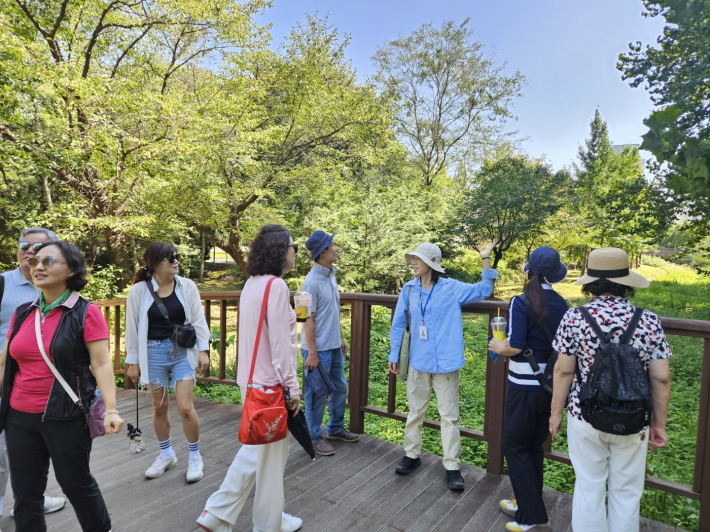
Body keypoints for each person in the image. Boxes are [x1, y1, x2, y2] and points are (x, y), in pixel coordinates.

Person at [0, 241, 123, 532]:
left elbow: (102, 364)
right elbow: (5, 362)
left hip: (65, 415)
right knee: (25, 495)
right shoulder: (22, 312)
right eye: (34, 262)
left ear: (71, 269)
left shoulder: (85, 312)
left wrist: (111, 410)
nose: (37, 266)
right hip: (18, 417)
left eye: (47, 261)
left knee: (76, 484)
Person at [549, 247, 671, 532]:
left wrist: (556, 413)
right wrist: (659, 423)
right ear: (626, 281)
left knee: (589, 486)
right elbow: (661, 378)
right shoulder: (648, 319)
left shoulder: (575, 317)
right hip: (633, 416)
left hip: (585, 415)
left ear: (590, 281)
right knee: (627, 490)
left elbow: (563, 370)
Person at [197, 224, 302, 532]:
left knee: (259, 452)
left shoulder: (253, 284)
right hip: (271, 384)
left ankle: (219, 515)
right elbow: (282, 345)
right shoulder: (277, 287)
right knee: (269, 459)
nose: (295, 251)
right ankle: (263, 523)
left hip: (250, 381)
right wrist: (293, 388)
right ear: (280, 251)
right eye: (292, 245)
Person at [389, 241, 498, 491]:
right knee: (416, 411)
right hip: (417, 360)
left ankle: (452, 466)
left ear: (432, 265)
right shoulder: (407, 290)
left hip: (446, 362)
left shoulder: (451, 288)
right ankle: (412, 455)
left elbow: (484, 289)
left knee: (449, 416)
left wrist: (485, 259)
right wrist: (394, 354)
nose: (413, 263)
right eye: (413, 259)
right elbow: (398, 325)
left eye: (419, 260)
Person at [487, 246, 569, 532]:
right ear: (554, 275)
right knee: (532, 444)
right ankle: (525, 501)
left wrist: (499, 346)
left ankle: (533, 515)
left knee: (513, 443)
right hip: (550, 385)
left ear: (529, 272)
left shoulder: (521, 301)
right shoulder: (562, 303)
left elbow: (516, 345)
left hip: (523, 385)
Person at [125, 242, 211, 482]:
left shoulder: (187, 286)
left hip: (181, 353)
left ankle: (195, 456)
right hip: (152, 355)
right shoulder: (139, 291)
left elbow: (198, 320)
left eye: (176, 256)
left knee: (185, 407)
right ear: (154, 264)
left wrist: (204, 350)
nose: (176, 260)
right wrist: (132, 361)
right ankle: (167, 454)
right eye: (169, 257)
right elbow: (131, 328)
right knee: (159, 407)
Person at [0, 228, 67, 522]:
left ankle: (28, 500)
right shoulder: (2, 284)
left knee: (30, 452)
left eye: (37, 246)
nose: (29, 251)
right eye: (24, 245)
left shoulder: (55, 285)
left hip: (43, 387)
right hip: (4, 380)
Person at [301, 230, 358, 456]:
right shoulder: (309, 282)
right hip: (317, 351)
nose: (336, 248)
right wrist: (312, 353)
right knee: (315, 395)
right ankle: (314, 436)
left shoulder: (330, 275)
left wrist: (341, 337)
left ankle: (335, 428)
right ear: (322, 251)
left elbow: (332, 312)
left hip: (333, 346)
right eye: (332, 245)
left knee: (339, 388)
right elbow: (305, 319)